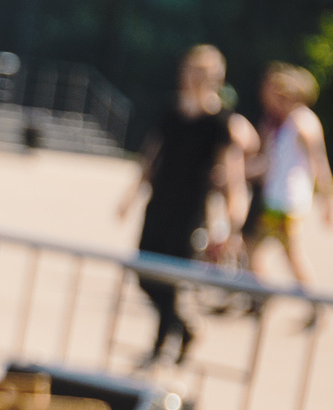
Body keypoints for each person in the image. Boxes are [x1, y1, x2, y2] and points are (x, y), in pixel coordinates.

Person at [119, 44, 255, 363]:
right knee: (145, 274)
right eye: (190, 70)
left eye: (201, 73)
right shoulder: (172, 111)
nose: (192, 78)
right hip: (160, 203)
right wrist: (130, 196)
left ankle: (161, 344)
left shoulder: (221, 121)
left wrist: (233, 224)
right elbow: (151, 155)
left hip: (191, 211)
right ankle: (184, 328)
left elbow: (233, 176)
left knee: (171, 278)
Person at [246, 63, 329, 290]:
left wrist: (328, 200)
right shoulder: (279, 122)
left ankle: (312, 300)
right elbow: (271, 161)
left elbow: (319, 162)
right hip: (274, 198)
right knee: (254, 248)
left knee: (291, 255)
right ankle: (263, 292)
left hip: (288, 201)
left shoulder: (303, 122)